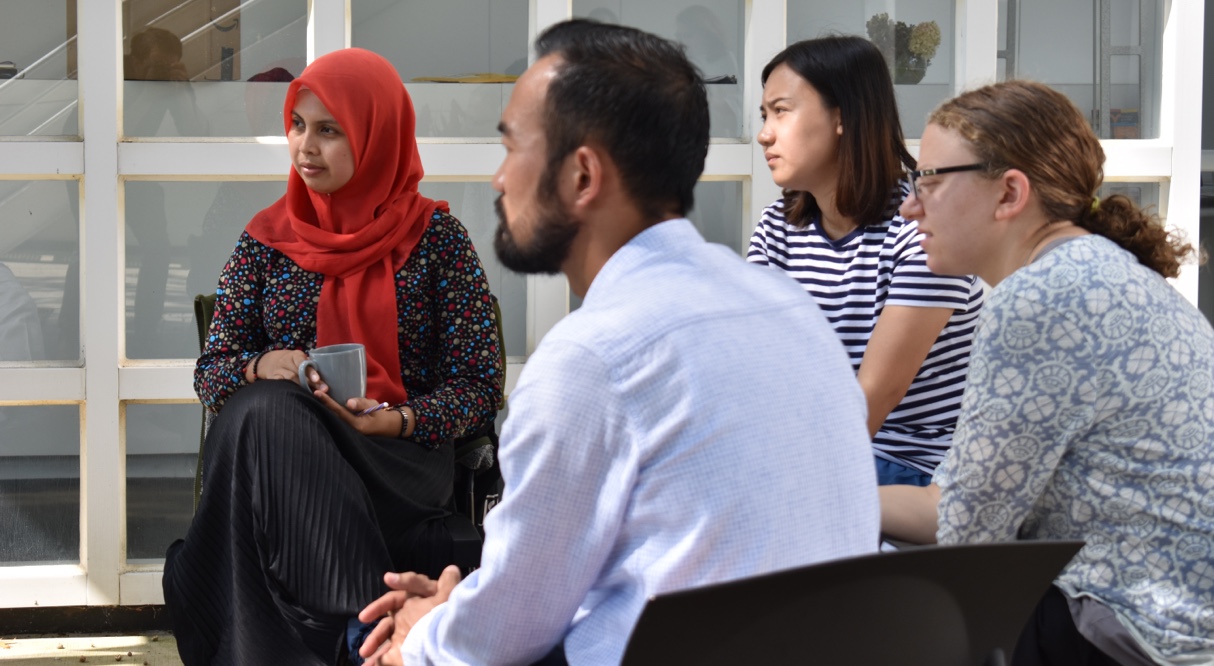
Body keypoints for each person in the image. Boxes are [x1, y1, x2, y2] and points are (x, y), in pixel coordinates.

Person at [351, 19, 880, 666]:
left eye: (513, 146)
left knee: (372, 639)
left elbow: (500, 638)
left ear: (581, 177)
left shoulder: (594, 359)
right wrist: (466, 610)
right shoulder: (790, 310)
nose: (498, 180)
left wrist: (424, 632)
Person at [161, 48, 503, 665]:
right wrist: (259, 366)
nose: (304, 146)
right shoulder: (266, 240)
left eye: (328, 130)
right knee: (268, 409)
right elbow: (212, 373)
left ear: (377, 136)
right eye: (297, 125)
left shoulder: (438, 241)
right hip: (283, 460)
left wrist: (394, 419)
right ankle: (363, 635)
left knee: (265, 419)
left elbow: (480, 386)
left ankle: (349, 635)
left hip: (392, 461)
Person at [880, 80, 1214, 665]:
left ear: (1009, 192)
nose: (910, 206)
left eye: (928, 180)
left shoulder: (1042, 297)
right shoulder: (1103, 270)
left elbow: (965, 530)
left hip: (1132, 631)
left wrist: (825, 494)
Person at [747, 36, 984, 487]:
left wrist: (776, 478)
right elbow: (754, 366)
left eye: (781, 110)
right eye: (764, 115)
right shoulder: (780, 225)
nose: (764, 133)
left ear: (842, 117)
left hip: (911, 464)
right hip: (819, 446)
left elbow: (875, 396)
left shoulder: (921, 226)